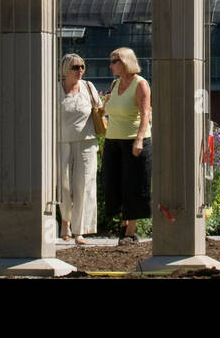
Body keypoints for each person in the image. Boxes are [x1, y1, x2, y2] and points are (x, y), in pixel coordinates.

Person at [102, 46, 151, 244]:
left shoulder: (140, 84)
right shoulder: (115, 84)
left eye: (114, 61)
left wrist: (139, 139)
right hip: (113, 140)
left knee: (133, 185)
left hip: (134, 141)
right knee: (112, 184)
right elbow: (109, 111)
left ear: (125, 62)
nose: (110, 65)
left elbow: (146, 113)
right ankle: (123, 222)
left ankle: (130, 231)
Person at [57, 53, 101, 244]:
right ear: (66, 69)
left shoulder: (88, 87)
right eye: (76, 67)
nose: (80, 70)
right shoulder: (54, 89)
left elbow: (99, 109)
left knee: (84, 186)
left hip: (86, 142)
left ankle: (79, 230)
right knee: (63, 185)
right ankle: (65, 222)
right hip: (61, 142)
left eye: (82, 66)